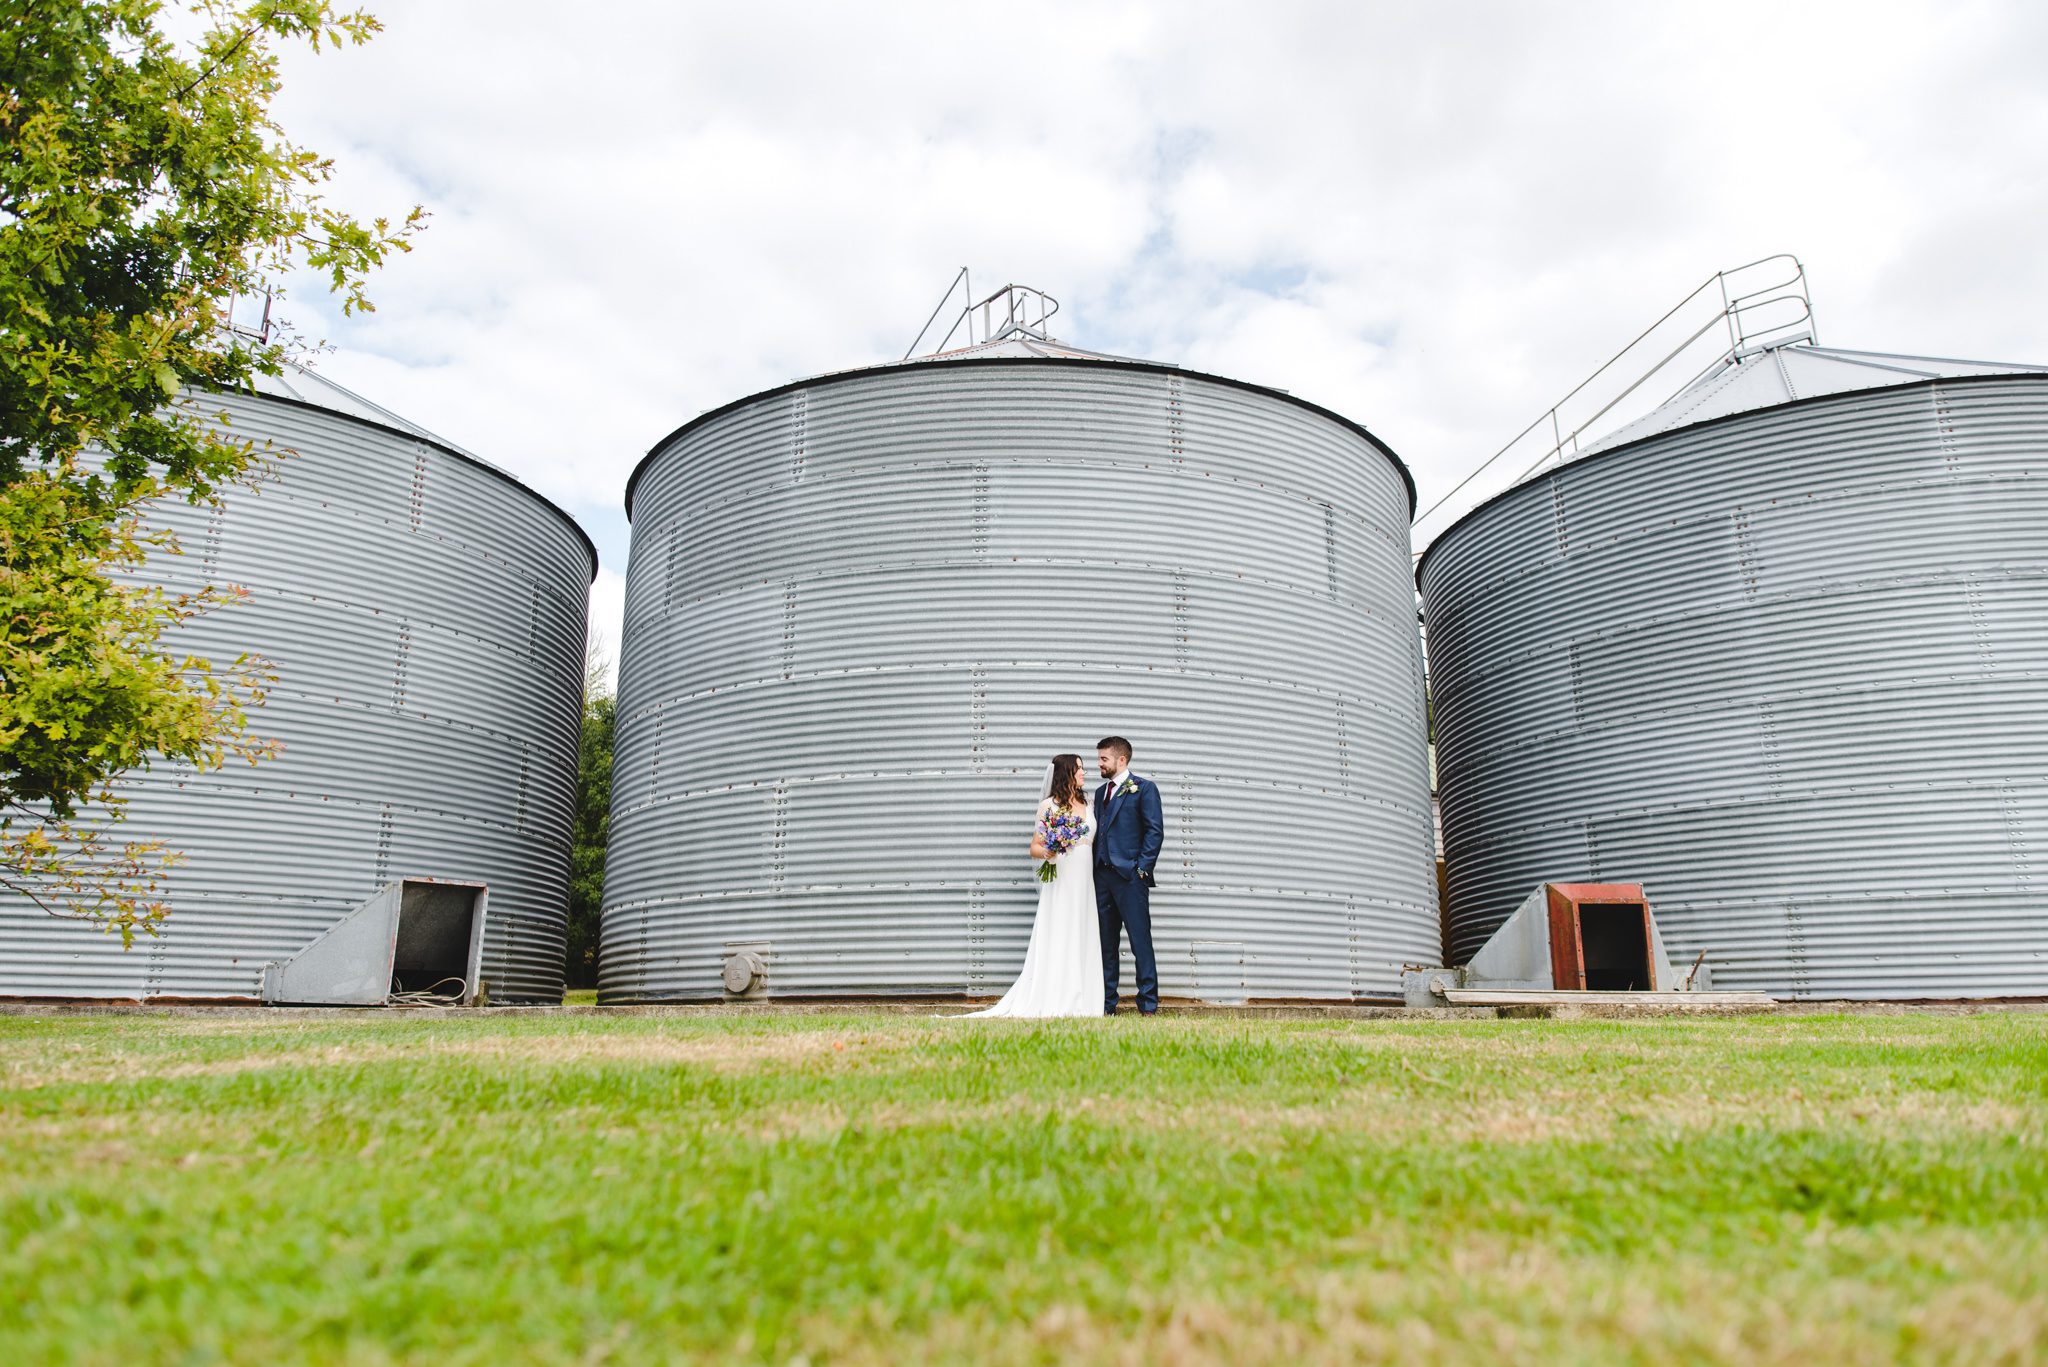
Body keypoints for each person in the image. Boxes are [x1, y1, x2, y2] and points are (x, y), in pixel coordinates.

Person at [953, 753, 1105, 1018]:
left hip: (1085, 881)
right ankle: (1055, 995)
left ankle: (1085, 999)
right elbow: (1034, 847)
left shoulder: (1088, 803)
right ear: (1066, 773)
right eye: (1079, 769)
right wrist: (1050, 850)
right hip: (1062, 879)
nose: (1084, 773)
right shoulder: (1049, 805)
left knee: (1083, 931)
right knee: (1060, 931)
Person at [1093, 735, 1163, 1015]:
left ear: (1121, 760)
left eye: (1103, 759)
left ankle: (1147, 1004)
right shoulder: (1100, 793)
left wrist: (1141, 869)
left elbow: (1154, 831)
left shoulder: (1145, 789)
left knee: (1140, 942)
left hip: (1131, 879)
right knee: (1105, 944)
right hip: (1101, 878)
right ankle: (1107, 1004)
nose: (1099, 763)